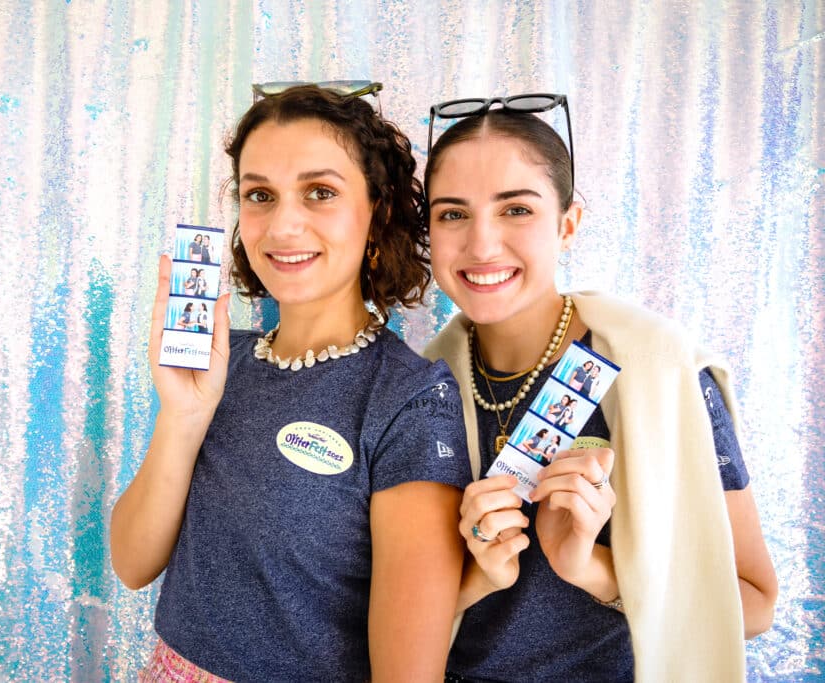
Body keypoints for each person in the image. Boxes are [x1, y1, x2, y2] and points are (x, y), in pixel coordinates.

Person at [110, 83, 471, 682]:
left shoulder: (411, 399)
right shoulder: (222, 363)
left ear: (377, 212)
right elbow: (131, 562)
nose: (283, 224)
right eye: (260, 195)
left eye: (320, 192)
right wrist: (183, 414)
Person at [421, 94, 777, 681]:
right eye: (453, 214)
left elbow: (756, 602)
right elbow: (385, 611)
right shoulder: (419, 386)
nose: (482, 245)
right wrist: (477, 575)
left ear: (567, 224)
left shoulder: (664, 374)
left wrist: (593, 567)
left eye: (516, 210)